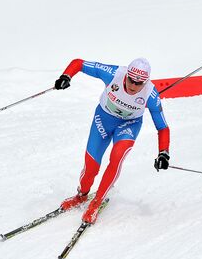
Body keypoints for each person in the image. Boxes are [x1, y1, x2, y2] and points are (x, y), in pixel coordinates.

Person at [54, 57, 170, 224]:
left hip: (129, 125)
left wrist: (163, 153)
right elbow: (79, 63)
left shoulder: (151, 95)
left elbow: (163, 127)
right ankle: (81, 195)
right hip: (103, 119)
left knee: (117, 156)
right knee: (91, 168)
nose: (133, 86)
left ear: (146, 82)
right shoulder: (113, 73)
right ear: (127, 75)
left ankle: (97, 202)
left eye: (139, 83)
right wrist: (66, 76)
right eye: (131, 80)